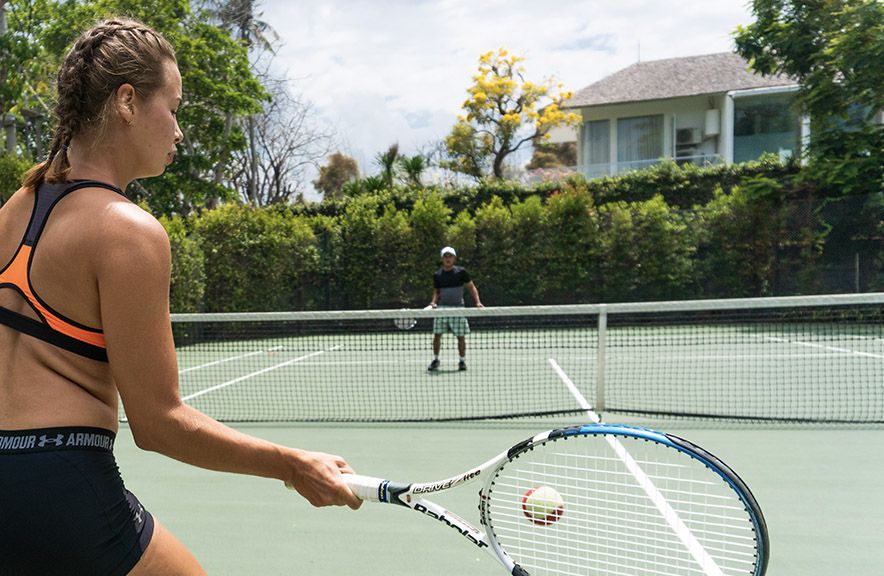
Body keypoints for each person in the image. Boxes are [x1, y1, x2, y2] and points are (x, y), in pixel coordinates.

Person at [0, 18, 360, 576]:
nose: (179, 130)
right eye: (174, 107)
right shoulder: (129, 230)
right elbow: (158, 423)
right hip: (60, 481)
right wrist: (290, 464)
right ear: (127, 102)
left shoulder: (11, 211)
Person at [427, 246, 483, 372]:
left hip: (458, 308)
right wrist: (433, 302)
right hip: (442, 308)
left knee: (460, 336)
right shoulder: (437, 275)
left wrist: (478, 302)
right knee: (437, 335)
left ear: (454, 258)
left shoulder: (461, 272)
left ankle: (462, 361)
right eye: (445, 257)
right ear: (442, 259)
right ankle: (436, 360)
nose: (448, 259)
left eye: (450, 256)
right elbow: (437, 291)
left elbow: (472, 287)